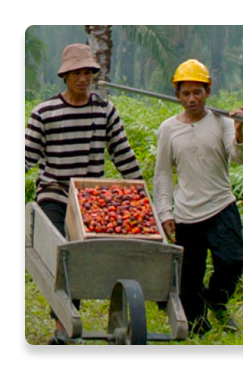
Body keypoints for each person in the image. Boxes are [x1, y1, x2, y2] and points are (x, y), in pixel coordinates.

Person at [25, 44, 143, 345]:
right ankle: (63, 329)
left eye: (88, 72)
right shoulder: (45, 112)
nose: (83, 78)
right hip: (54, 193)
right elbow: (27, 156)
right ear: (64, 76)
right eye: (77, 73)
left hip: (90, 198)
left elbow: (122, 152)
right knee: (62, 256)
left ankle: (72, 324)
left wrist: (141, 192)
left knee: (80, 260)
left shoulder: (104, 110)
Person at [154, 59, 243, 336]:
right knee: (188, 282)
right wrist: (165, 213)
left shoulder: (221, 121)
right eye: (186, 94)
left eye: (197, 92)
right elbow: (162, 174)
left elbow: (238, 158)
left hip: (221, 205)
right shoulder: (168, 129)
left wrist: (240, 132)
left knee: (233, 261)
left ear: (208, 91)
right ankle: (200, 329)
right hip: (186, 214)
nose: (192, 99)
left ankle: (217, 301)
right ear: (177, 96)